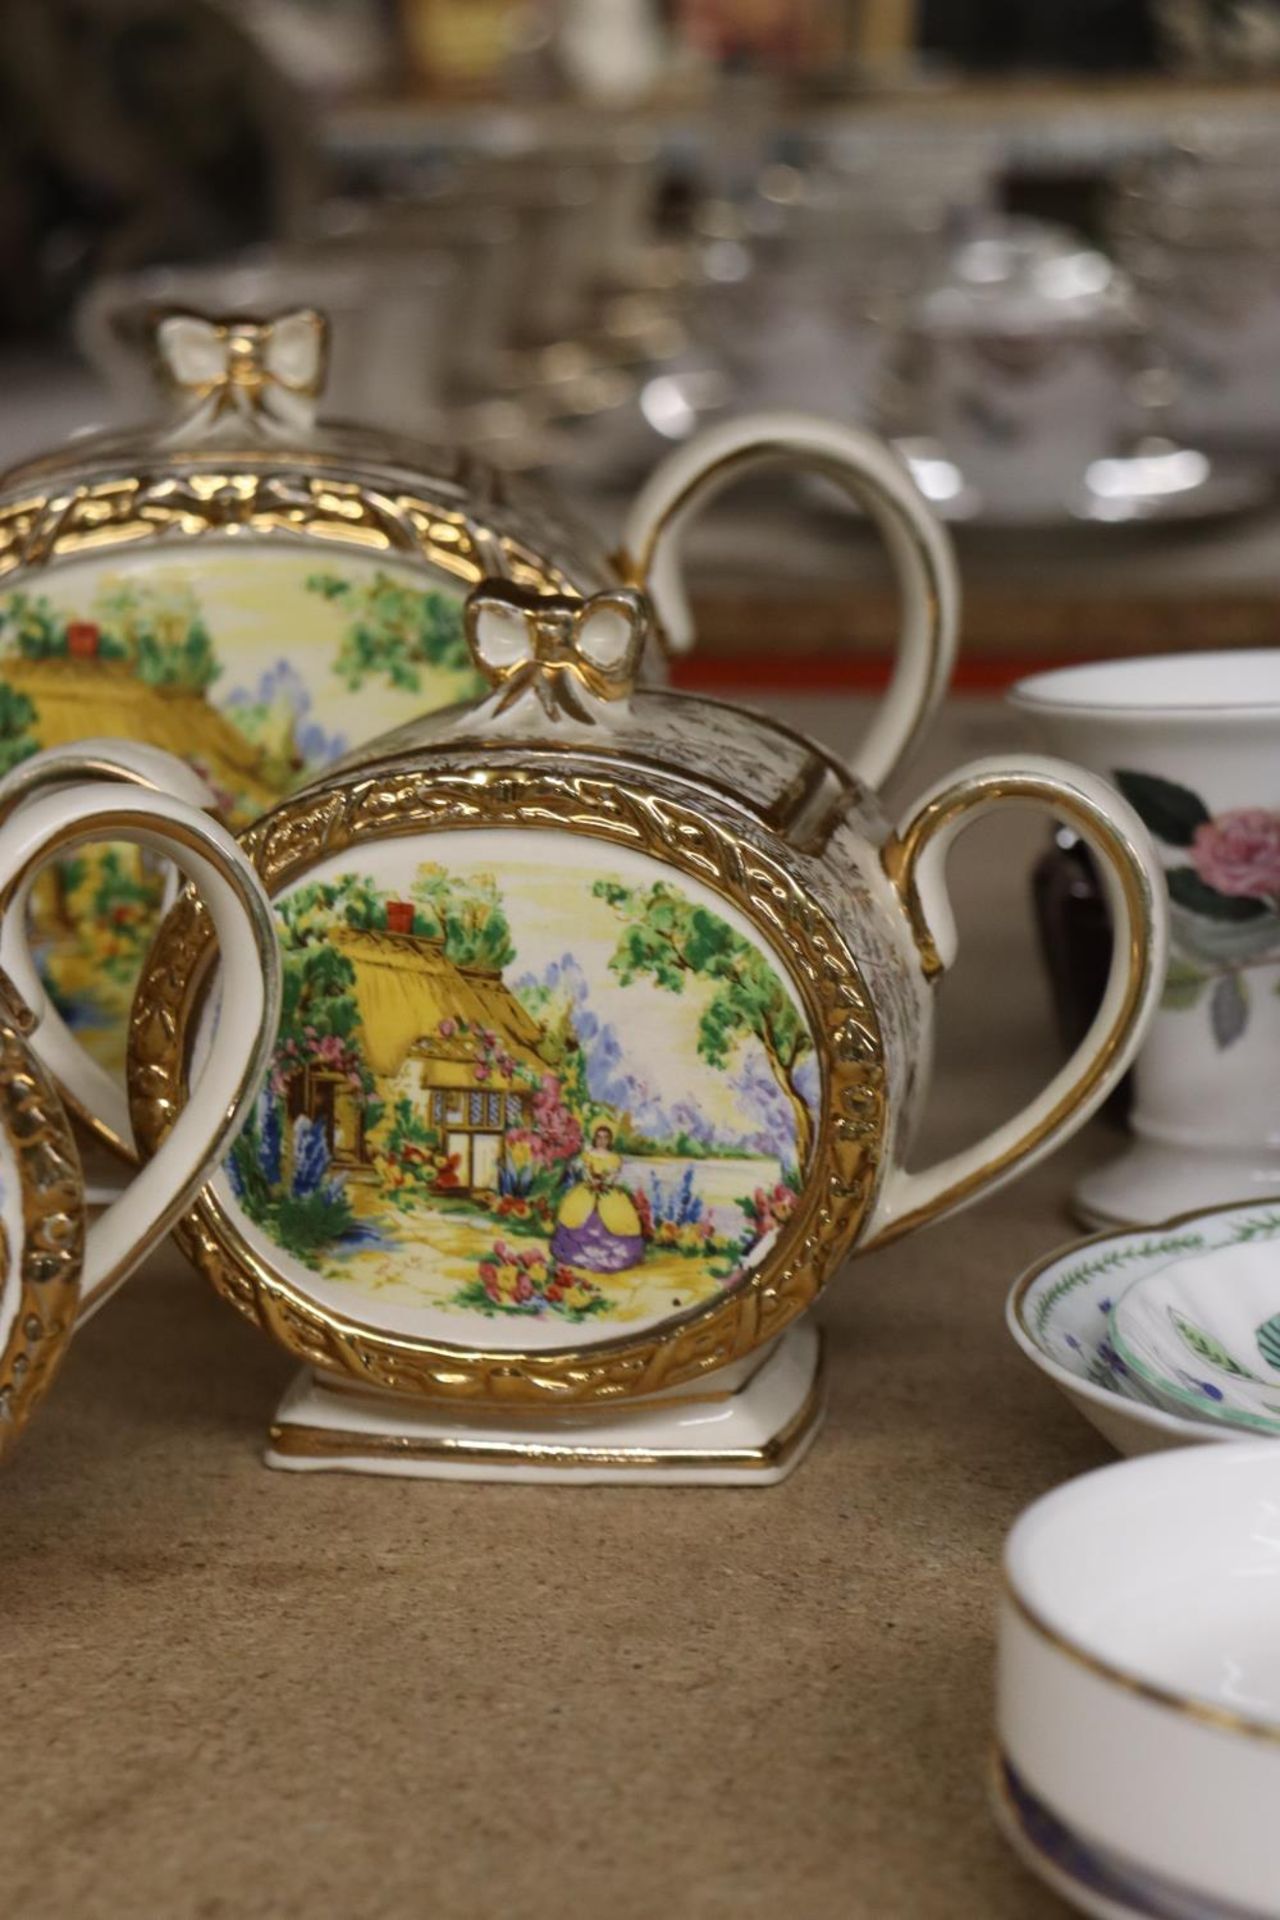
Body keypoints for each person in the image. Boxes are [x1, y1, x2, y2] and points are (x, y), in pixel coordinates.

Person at [550, 1124, 645, 1273]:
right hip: (588, 1188)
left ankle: (613, 1254)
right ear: (595, 1139)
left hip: (607, 1190)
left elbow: (613, 1175)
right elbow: (586, 1171)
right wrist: (592, 1181)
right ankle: (575, 1251)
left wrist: (604, 1183)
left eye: (605, 1137)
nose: (602, 1140)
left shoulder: (614, 1158)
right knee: (575, 1208)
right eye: (599, 1137)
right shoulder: (588, 1154)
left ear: (609, 1140)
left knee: (616, 1213)